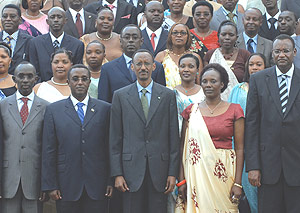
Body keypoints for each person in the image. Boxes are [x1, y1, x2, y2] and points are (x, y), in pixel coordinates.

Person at [109, 49, 180, 213]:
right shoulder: (120, 96)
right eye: (138, 64)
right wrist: (117, 174)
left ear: (154, 67)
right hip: (130, 171)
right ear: (132, 67)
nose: (143, 67)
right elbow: (115, 138)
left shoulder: (168, 95)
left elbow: (173, 137)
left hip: (160, 170)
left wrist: (172, 173)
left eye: (147, 63)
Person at [42, 64, 113, 213]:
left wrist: (110, 180)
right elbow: (49, 150)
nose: (80, 82)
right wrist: (51, 185)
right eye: (75, 79)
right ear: (68, 82)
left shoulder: (105, 109)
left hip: (97, 185)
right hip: (66, 185)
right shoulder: (54, 110)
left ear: (89, 82)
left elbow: (110, 147)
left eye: (84, 79)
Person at [175, 63, 244, 213]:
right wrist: (181, 180)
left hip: (225, 174)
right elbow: (182, 147)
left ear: (222, 84)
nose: (208, 85)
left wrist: (238, 183)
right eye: (205, 81)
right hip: (196, 175)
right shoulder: (191, 111)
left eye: (213, 81)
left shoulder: (234, 110)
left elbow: (240, 148)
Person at [245, 34, 300, 212]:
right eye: (277, 51)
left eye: (286, 51)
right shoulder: (258, 80)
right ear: (272, 54)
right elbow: (251, 125)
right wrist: (253, 166)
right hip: (267, 168)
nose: (282, 55)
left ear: (295, 52)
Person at [0, 61, 49, 213]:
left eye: (29, 76)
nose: (26, 80)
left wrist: (46, 182)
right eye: (21, 76)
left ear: (36, 79)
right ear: (14, 79)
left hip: (34, 178)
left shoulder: (47, 108)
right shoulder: (2, 106)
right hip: (8, 178)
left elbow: (48, 148)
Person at [228, 53, 266, 213]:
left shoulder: (270, 87)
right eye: (251, 65)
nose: (255, 68)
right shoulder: (238, 89)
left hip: (265, 145)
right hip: (241, 146)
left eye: (259, 64)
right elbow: (229, 119)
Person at [98, 24, 166, 103]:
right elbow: (104, 102)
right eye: (127, 37)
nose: (131, 40)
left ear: (141, 41)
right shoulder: (108, 69)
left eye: (135, 37)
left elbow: (162, 98)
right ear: (120, 41)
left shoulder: (156, 67)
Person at [28, 7, 84, 82]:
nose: (56, 20)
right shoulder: (35, 43)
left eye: (59, 17)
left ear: (65, 21)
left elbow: (77, 72)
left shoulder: (77, 44)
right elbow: (34, 71)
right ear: (47, 21)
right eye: (52, 17)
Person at [204, 20, 250, 100]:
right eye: (224, 34)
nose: (227, 38)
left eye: (231, 35)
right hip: (215, 102)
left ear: (236, 37)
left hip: (240, 101)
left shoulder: (245, 55)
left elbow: (249, 80)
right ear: (218, 36)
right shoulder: (210, 55)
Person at [155, 23, 202, 89]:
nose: (179, 35)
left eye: (183, 33)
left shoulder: (194, 57)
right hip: (165, 97)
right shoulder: (161, 56)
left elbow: (199, 83)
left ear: (188, 36)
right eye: (175, 33)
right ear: (170, 36)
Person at [175, 53, 205, 134]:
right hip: (176, 136)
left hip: (199, 136)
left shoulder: (204, 93)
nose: (186, 70)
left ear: (198, 70)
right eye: (182, 66)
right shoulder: (170, 93)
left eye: (191, 67)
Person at [1, 4, 32, 75]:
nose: (8, 19)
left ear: (20, 20)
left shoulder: (30, 41)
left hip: (21, 83)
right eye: (4, 16)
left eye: (12, 16)